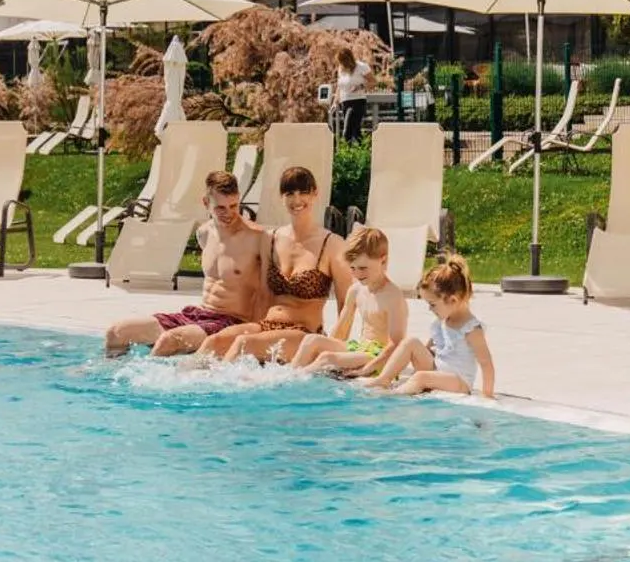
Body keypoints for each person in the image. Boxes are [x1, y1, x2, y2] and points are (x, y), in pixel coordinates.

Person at [196, 166, 355, 364]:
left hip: (303, 331)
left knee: (242, 345)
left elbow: (347, 304)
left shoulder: (332, 244)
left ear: (315, 194)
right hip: (267, 325)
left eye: (304, 192)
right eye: (290, 193)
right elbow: (263, 294)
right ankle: (184, 389)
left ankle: (219, 391)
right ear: (282, 197)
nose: (297, 200)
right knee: (213, 342)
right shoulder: (271, 239)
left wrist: (337, 349)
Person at [102, 171, 268, 358]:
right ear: (206, 203)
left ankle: (149, 384)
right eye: (221, 208)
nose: (229, 214)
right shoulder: (204, 233)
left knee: (168, 341)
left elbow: (270, 290)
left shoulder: (257, 238)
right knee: (117, 332)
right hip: (198, 315)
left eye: (234, 206)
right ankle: (109, 381)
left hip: (232, 321)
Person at [365, 256, 495, 398]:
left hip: (458, 381)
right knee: (411, 342)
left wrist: (487, 396)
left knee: (421, 377)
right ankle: (383, 379)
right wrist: (414, 358)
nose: (430, 309)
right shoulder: (442, 321)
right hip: (437, 371)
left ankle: (392, 398)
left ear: (453, 300)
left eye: (432, 304)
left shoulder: (471, 328)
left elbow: (486, 364)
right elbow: (427, 350)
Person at [293, 226, 408, 375]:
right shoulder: (356, 290)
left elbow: (397, 344)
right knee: (311, 340)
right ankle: (287, 376)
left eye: (363, 268)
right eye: (352, 268)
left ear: (383, 260)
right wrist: (326, 346)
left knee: (327, 358)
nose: (357, 274)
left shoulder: (392, 296)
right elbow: (341, 331)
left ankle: (293, 380)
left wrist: (366, 368)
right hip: (359, 348)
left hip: (379, 357)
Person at [334, 47, 369, 142]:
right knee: (356, 131)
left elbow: (373, 81)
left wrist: (360, 87)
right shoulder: (341, 69)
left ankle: (345, 151)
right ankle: (363, 151)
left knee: (347, 131)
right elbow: (339, 86)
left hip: (357, 101)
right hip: (345, 101)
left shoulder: (361, 67)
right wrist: (335, 101)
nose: (342, 64)